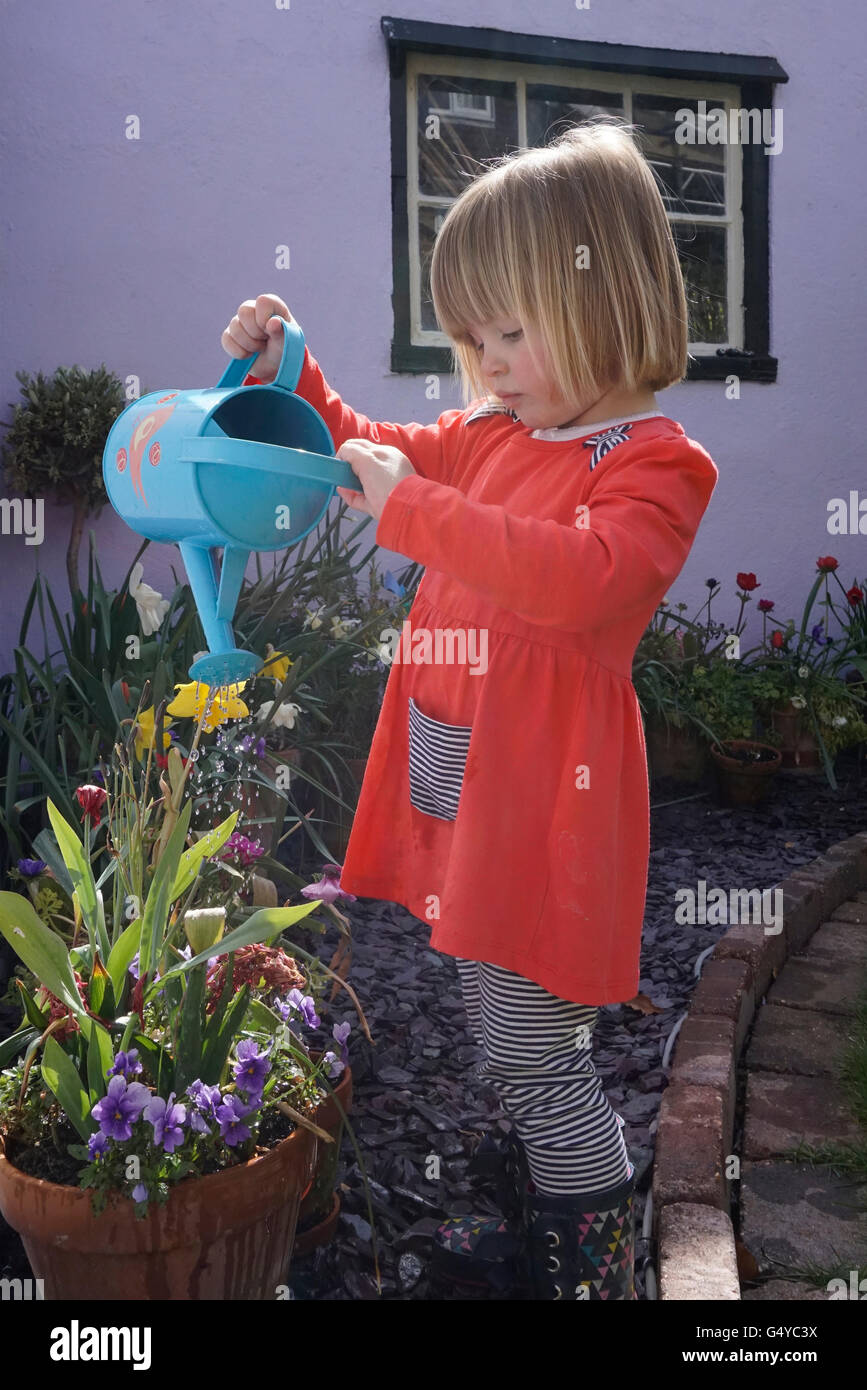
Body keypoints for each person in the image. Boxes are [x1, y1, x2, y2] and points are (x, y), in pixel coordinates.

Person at [222, 116, 719, 1300]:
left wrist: (422, 514)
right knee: (507, 1025)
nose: (487, 362)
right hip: (464, 798)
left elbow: (583, 580)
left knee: (537, 1051)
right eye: (471, 335)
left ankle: (590, 1267)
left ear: (614, 299)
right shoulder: (494, 432)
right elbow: (365, 452)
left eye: (512, 328)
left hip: (544, 810)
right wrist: (296, 377)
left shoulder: (651, 466)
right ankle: (543, 1200)